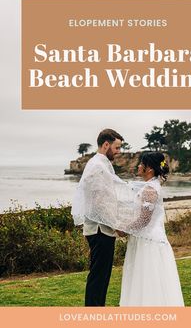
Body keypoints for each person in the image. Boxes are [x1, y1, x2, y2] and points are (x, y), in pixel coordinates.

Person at [119, 152, 184, 306]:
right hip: (145, 239)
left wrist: (123, 229)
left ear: (149, 169)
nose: (139, 166)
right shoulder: (150, 186)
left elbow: (144, 220)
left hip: (149, 242)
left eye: (141, 164)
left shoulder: (150, 190)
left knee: (147, 281)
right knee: (144, 280)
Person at [71, 128, 124, 306]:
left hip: (102, 228)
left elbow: (109, 196)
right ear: (106, 144)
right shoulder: (97, 166)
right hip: (100, 230)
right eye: (116, 148)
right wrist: (116, 224)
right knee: (98, 276)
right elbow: (99, 202)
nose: (118, 152)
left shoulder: (100, 164)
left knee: (102, 275)